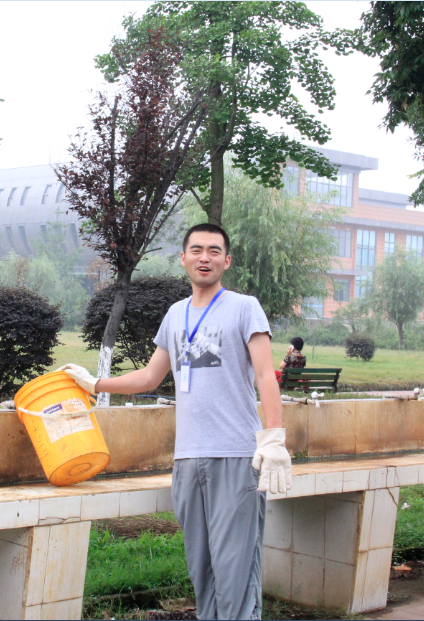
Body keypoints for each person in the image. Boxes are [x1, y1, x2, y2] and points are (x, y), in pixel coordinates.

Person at [59, 223, 292, 620]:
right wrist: (95, 383)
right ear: (183, 258)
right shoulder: (175, 314)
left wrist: (273, 438)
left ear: (226, 261)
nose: (205, 257)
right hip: (187, 460)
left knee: (235, 575)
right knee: (203, 574)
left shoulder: (244, 307)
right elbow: (150, 377)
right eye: (197, 250)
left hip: (236, 457)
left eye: (214, 251)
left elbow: (265, 375)